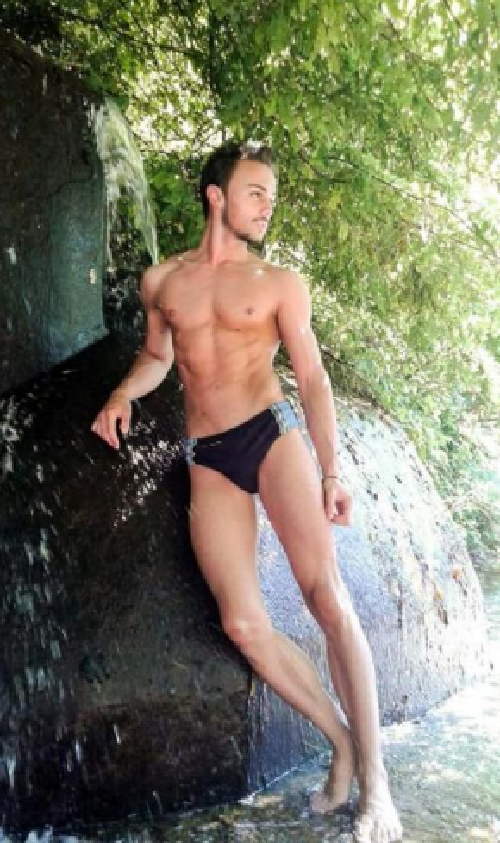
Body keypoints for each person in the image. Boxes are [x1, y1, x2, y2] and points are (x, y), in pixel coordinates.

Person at [91, 141, 402, 843]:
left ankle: (377, 787)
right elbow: (158, 355)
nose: (267, 206)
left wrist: (331, 471)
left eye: (271, 196)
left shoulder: (281, 283)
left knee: (327, 596)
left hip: (271, 434)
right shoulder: (162, 281)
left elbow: (313, 378)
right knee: (243, 625)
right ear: (216, 196)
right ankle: (341, 741)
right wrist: (122, 393)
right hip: (207, 455)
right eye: (256, 192)